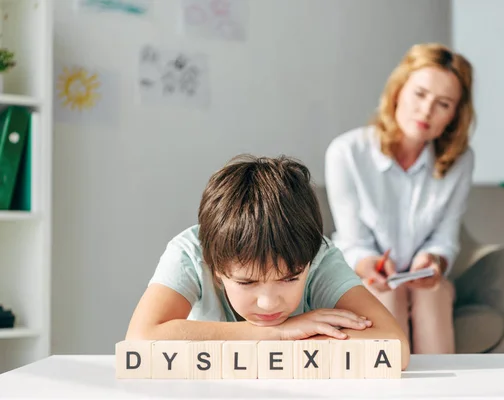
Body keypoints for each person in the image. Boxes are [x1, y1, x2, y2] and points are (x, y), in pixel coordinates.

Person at [126, 154, 410, 369]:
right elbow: (139, 342)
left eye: (289, 278)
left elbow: (394, 346)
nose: (269, 303)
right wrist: (277, 333)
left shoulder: (318, 255)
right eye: (246, 282)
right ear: (215, 269)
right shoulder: (190, 252)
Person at [324, 43, 475, 354]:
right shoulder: (347, 153)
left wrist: (432, 261)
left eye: (443, 104)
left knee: (431, 292)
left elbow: (446, 238)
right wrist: (371, 266)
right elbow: (353, 241)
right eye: (420, 94)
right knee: (387, 292)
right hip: (365, 275)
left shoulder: (460, 160)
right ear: (398, 91)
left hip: (423, 283)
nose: (426, 111)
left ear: (454, 115)